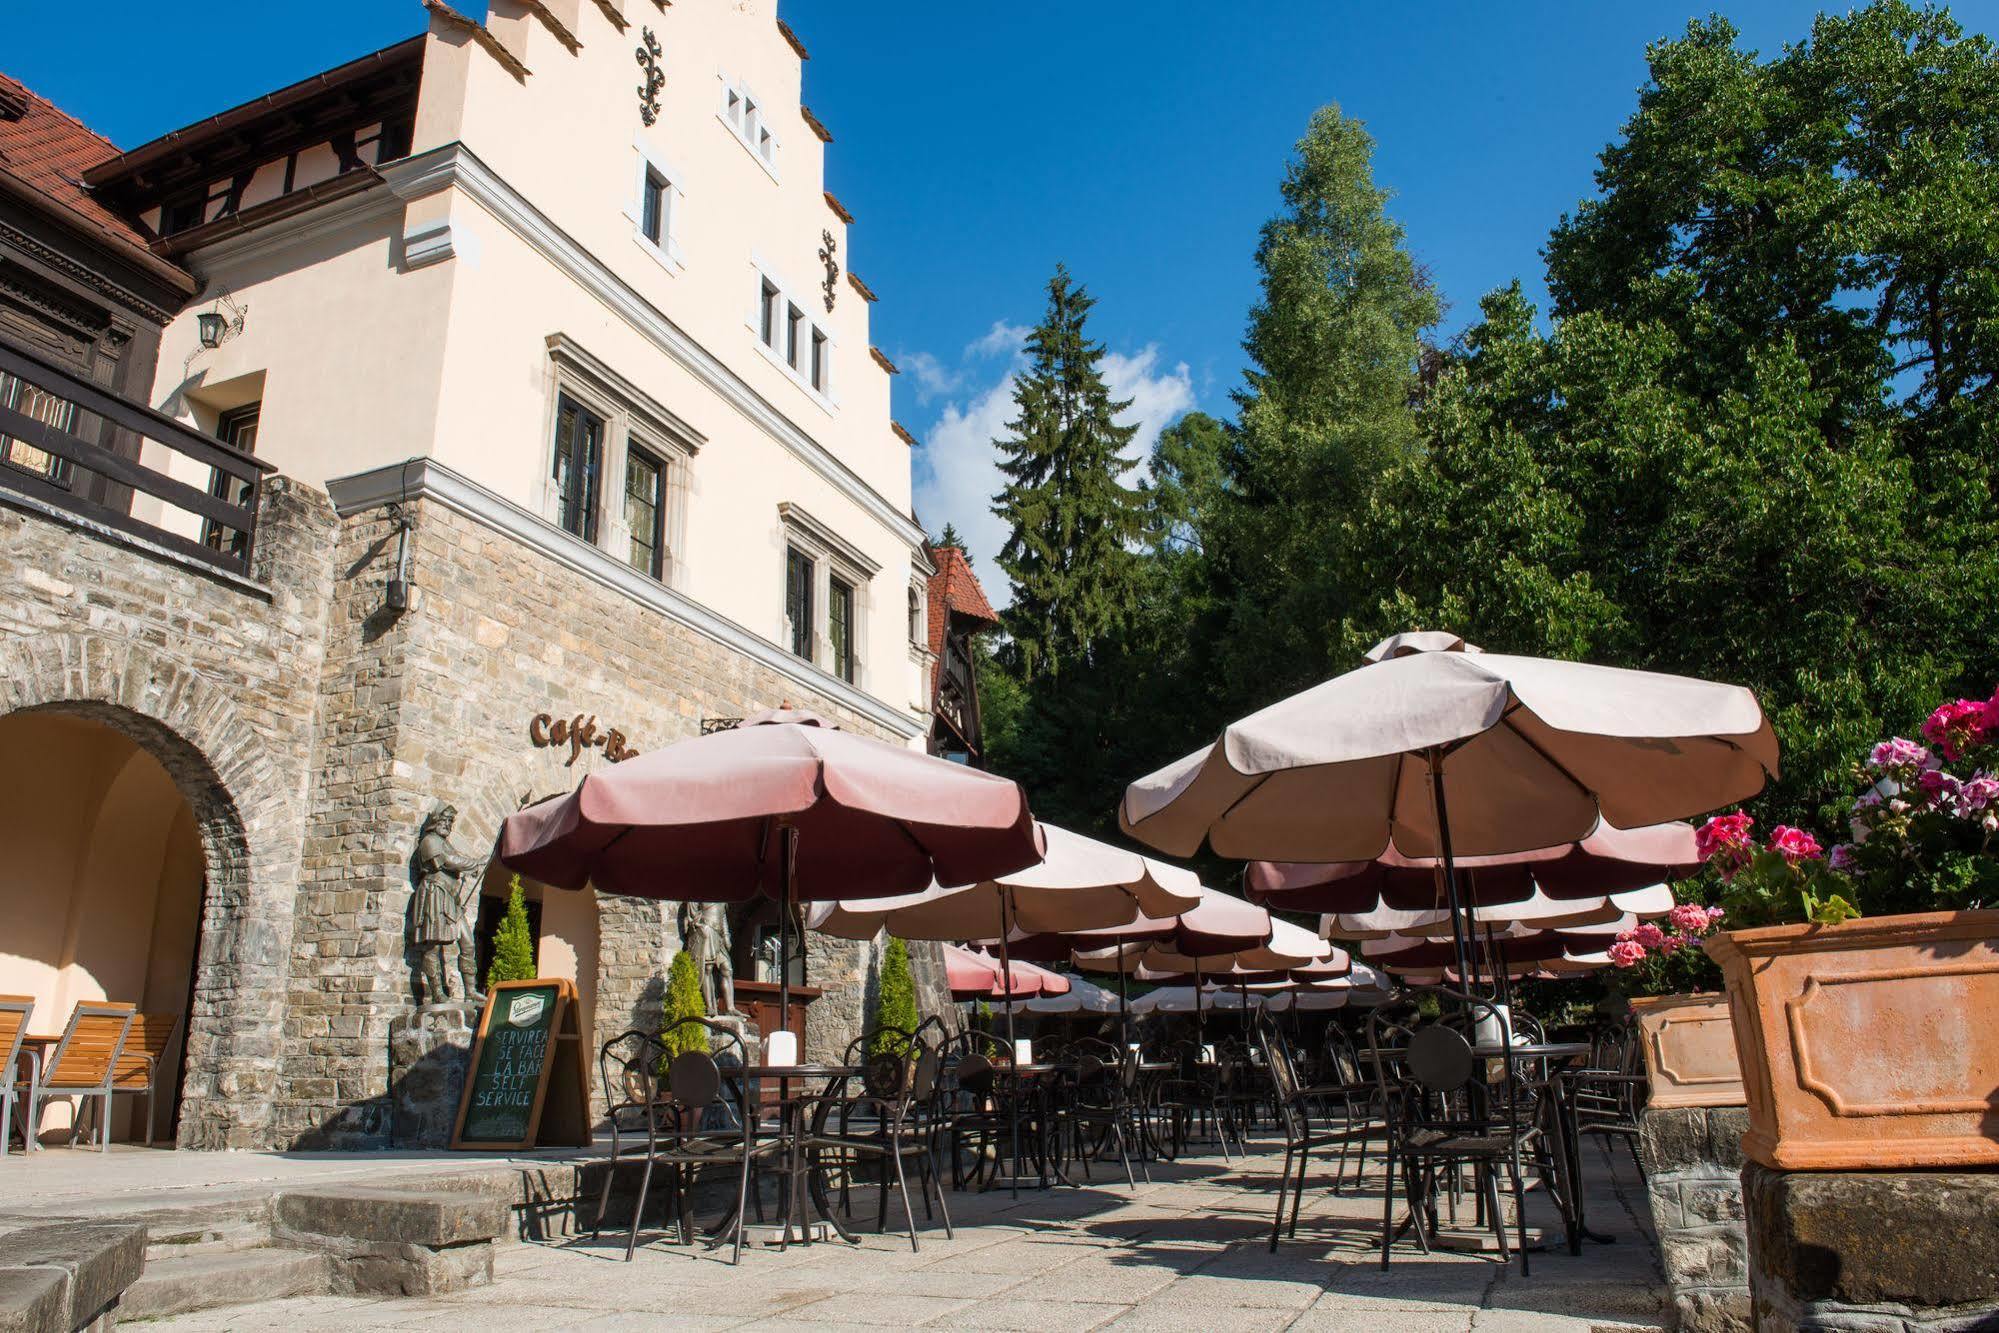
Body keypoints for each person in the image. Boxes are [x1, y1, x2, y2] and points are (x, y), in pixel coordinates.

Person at [411, 804, 488, 1007]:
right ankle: (437, 993)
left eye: (450, 822)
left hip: (451, 900)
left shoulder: (445, 842)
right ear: (435, 822)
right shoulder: (430, 842)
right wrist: (476, 862)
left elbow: (455, 861)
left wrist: (473, 866)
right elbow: (448, 861)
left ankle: (470, 991)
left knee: (468, 942)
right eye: (444, 821)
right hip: (435, 895)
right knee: (433, 945)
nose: (447, 825)